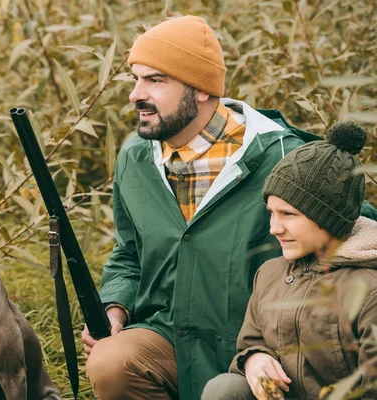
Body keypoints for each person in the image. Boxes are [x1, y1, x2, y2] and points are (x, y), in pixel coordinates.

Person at [81, 15, 376, 400]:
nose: (136, 93)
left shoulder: (284, 155)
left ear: (201, 89)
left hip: (272, 341)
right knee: (111, 362)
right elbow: (128, 253)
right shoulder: (134, 158)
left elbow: (357, 231)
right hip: (172, 332)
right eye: (135, 78)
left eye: (155, 80)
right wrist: (115, 307)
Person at [201, 121, 377, 399]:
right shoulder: (270, 273)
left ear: (328, 216)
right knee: (225, 389)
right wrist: (254, 360)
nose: (274, 228)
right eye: (271, 212)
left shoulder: (369, 289)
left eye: (289, 214)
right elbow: (252, 342)